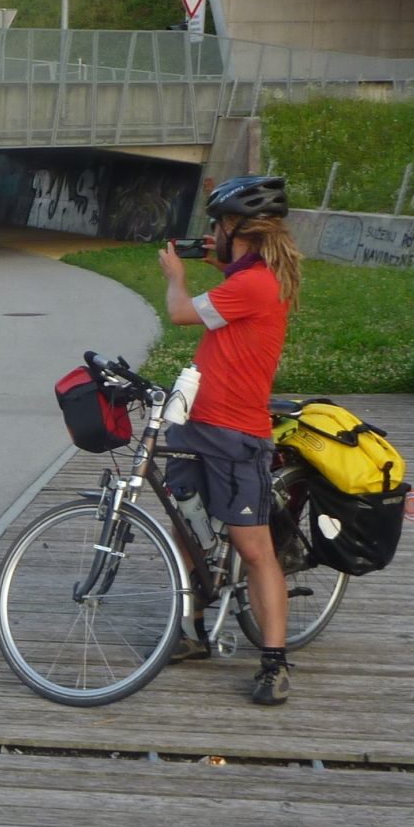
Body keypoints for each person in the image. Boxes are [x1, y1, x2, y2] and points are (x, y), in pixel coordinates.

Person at [157, 174, 304, 705]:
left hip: (235, 433)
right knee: (187, 530)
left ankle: (274, 661)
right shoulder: (248, 275)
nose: (211, 232)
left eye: (217, 224)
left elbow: (179, 311)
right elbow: (231, 280)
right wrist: (216, 258)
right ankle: (194, 633)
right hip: (196, 423)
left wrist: (175, 274)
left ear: (239, 228)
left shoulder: (255, 284)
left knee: (253, 545)